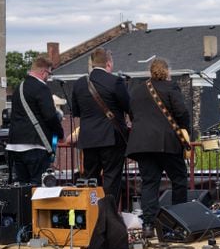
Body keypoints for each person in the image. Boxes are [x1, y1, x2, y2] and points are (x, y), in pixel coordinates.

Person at [125, 58, 191, 238]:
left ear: (150, 71)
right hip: (167, 142)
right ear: (167, 71)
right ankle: (178, 222)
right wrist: (185, 131)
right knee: (179, 180)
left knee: (149, 183)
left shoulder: (137, 90)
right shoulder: (171, 88)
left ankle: (148, 225)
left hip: (142, 144)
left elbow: (132, 114)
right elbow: (182, 112)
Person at [71, 48, 130, 202]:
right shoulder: (116, 81)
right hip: (111, 138)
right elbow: (129, 107)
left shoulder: (79, 84)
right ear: (109, 63)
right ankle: (108, 216)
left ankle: (92, 213)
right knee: (112, 178)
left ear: (92, 63)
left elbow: (76, 111)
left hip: (88, 139)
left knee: (90, 179)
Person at [6, 55, 64, 185]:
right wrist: (60, 134)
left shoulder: (18, 88)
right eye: (49, 73)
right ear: (44, 72)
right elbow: (50, 116)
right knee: (38, 187)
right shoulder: (42, 88)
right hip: (35, 145)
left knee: (22, 188)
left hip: (15, 145)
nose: (48, 77)